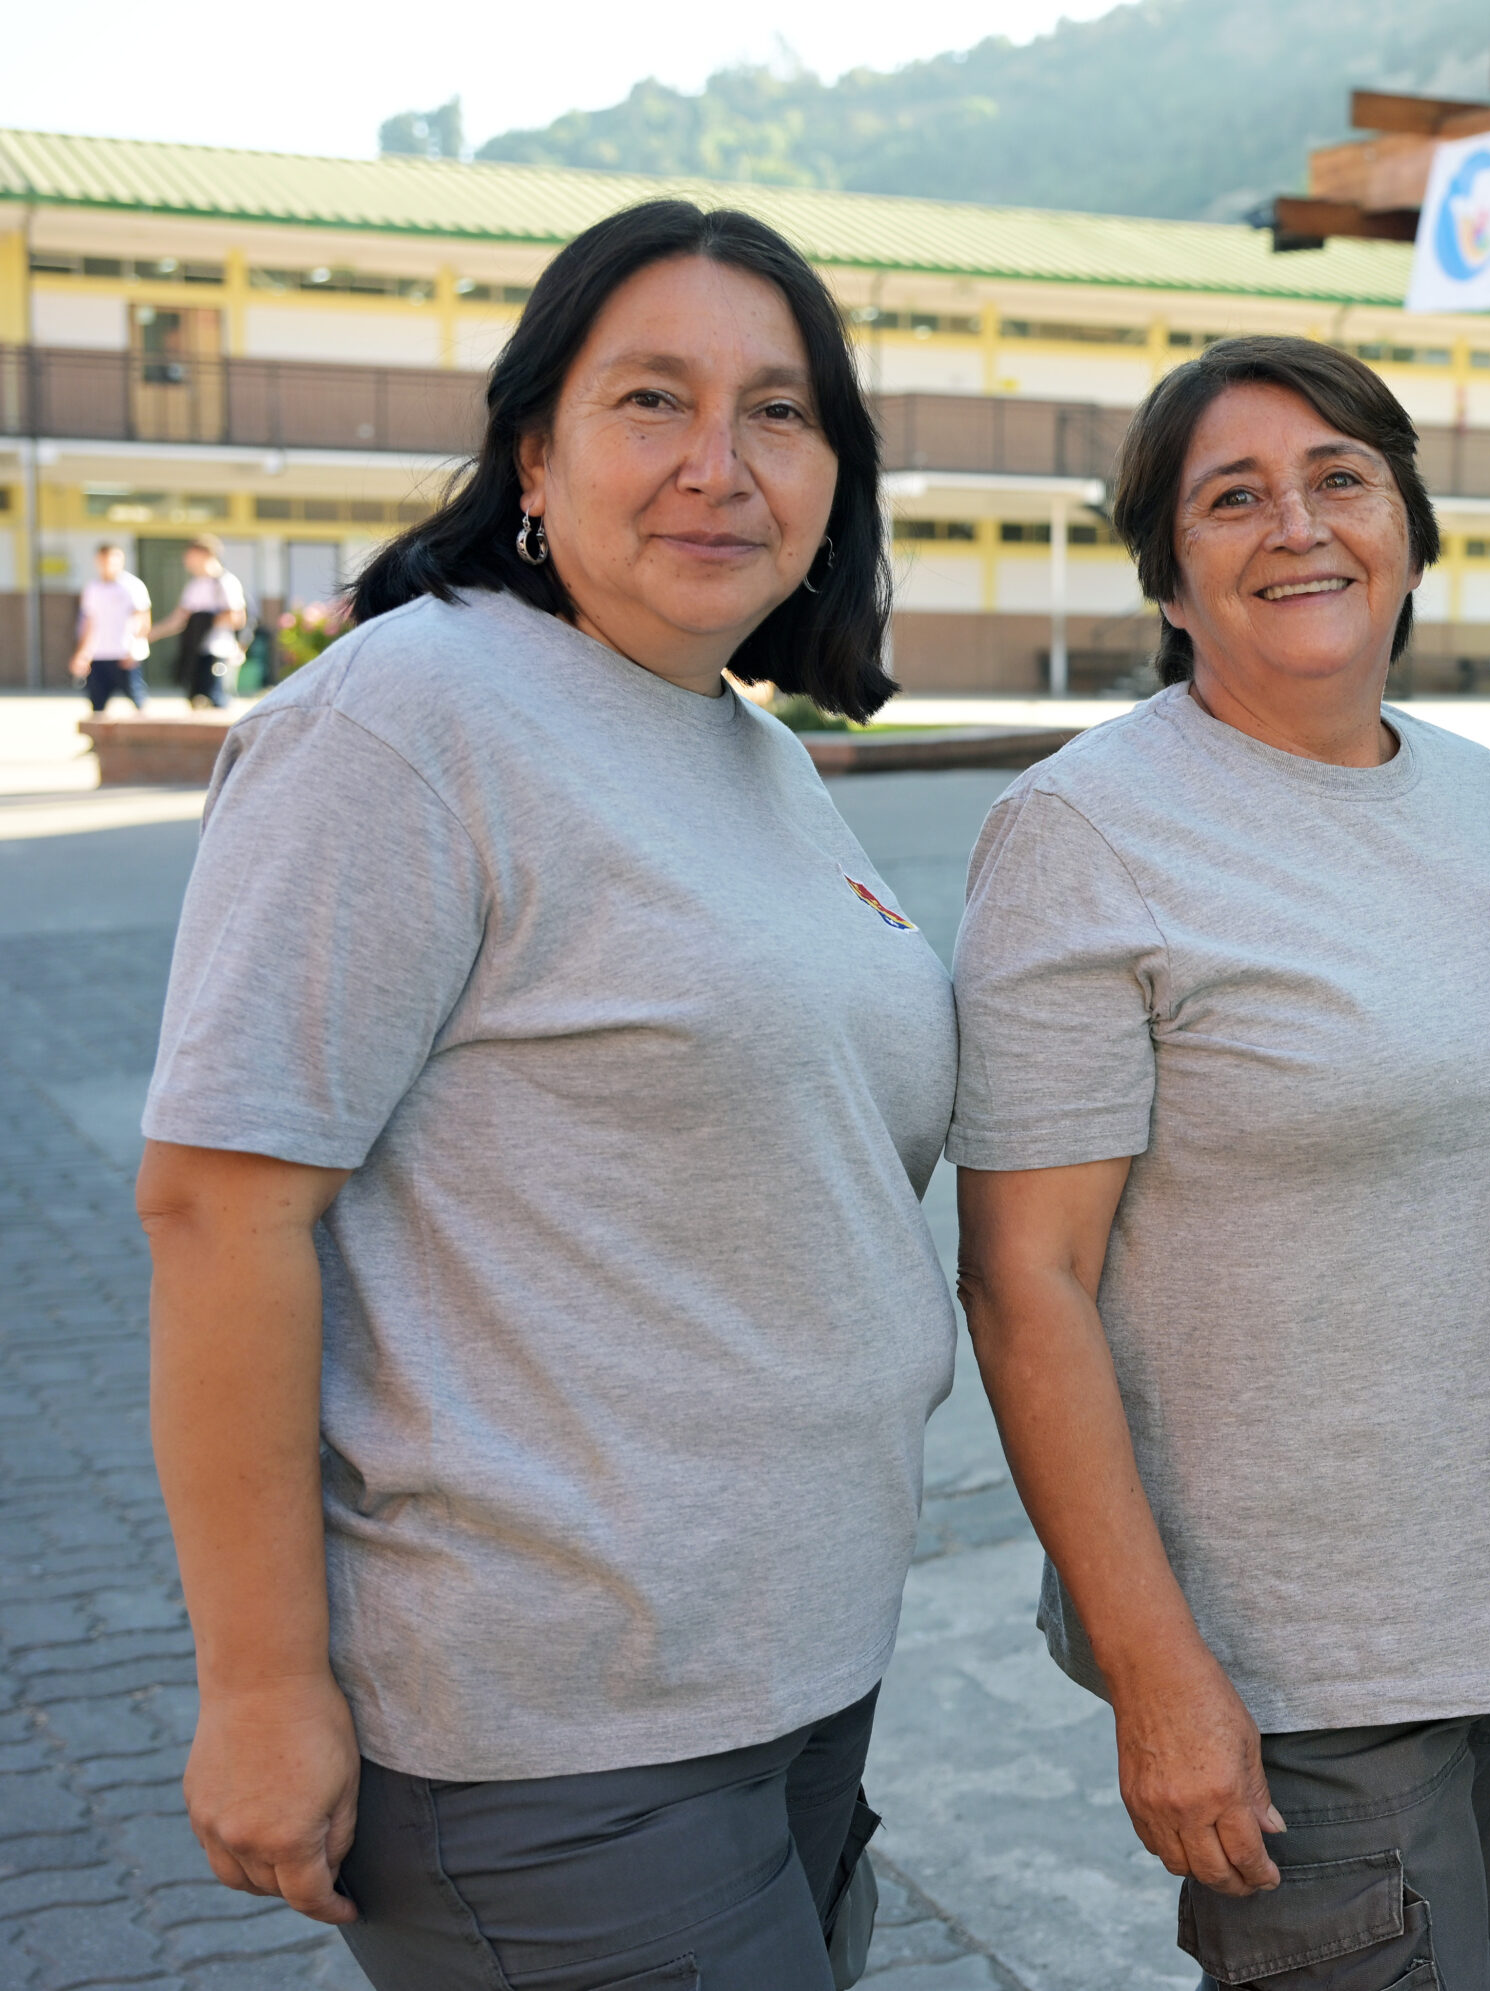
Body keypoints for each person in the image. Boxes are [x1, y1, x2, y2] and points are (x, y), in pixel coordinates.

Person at [139, 199, 950, 1990]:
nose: (719, 463)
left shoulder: (747, 748)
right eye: (652, 399)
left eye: (779, 410)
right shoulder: (408, 720)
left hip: (792, 1674)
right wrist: (260, 1685)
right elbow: (217, 1209)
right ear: (533, 450)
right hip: (550, 1724)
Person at [951, 335, 1490, 1991]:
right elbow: (1025, 1279)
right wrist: (1156, 1668)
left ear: (1409, 526)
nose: (1299, 525)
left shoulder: (1477, 793)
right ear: (1168, 577)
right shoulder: (1087, 829)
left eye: (1340, 477)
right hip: (1289, 1658)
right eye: (1233, 497)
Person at [151, 536, 250, 707]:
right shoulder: (194, 586)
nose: (187, 561)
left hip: (218, 651)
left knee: (216, 700)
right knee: (195, 700)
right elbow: (180, 619)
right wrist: (152, 633)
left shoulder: (225, 582)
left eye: (190, 556)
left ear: (205, 554)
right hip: (196, 652)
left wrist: (204, 621)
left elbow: (237, 618)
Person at [72, 543, 152, 711]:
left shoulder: (132, 586)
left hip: (124, 654)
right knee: (97, 706)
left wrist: (135, 648)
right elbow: (88, 623)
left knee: (137, 702)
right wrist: (82, 653)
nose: (108, 565)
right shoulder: (92, 588)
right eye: (104, 561)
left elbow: (143, 619)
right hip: (98, 655)